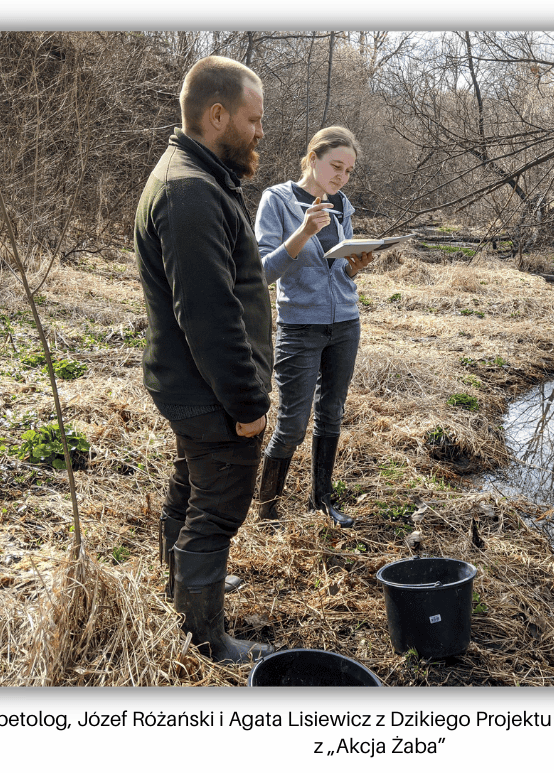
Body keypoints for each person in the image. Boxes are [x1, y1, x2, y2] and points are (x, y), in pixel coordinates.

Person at [134, 55, 274, 663]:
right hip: (210, 391)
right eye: (253, 119)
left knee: (193, 489)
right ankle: (203, 638)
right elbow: (209, 319)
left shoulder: (196, 175)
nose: (260, 132)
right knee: (216, 511)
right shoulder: (189, 191)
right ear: (217, 115)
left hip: (193, 386)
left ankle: (186, 591)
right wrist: (248, 405)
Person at [252, 126, 375, 527]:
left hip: (345, 323)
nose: (341, 177)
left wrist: (355, 267)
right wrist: (303, 231)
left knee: (332, 413)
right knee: (292, 421)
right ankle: (267, 509)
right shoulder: (277, 200)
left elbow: (338, 269)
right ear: (312, 158)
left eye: (348, 171)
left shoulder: (343, 204)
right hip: (300, 326)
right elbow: (261, 272)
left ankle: (321, 501)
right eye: (335, 166)